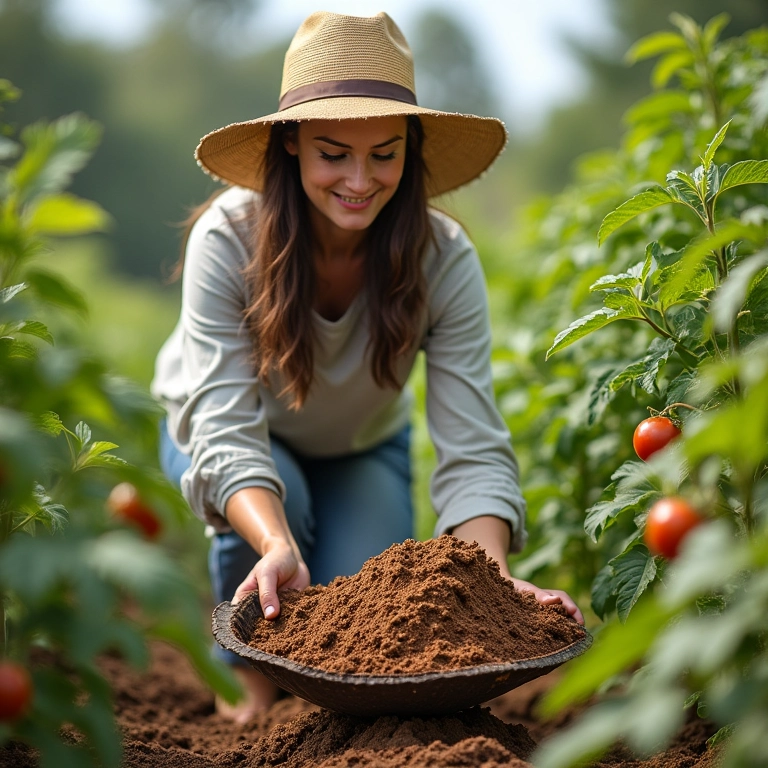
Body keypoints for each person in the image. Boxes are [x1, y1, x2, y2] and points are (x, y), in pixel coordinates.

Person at [151, 10, 583, 723]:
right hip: (234, 436)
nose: (360, 179)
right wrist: (277, 540)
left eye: (385, 154)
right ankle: (249, 686)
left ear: (411, 149)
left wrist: (495, 583)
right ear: (290, 144)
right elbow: (226, 432)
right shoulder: (228, 240)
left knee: (373, 617)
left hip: (360, 447)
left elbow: (471, 442)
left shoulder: (442, 260)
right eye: (333, 153)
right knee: (278, 508)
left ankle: (300, 678)